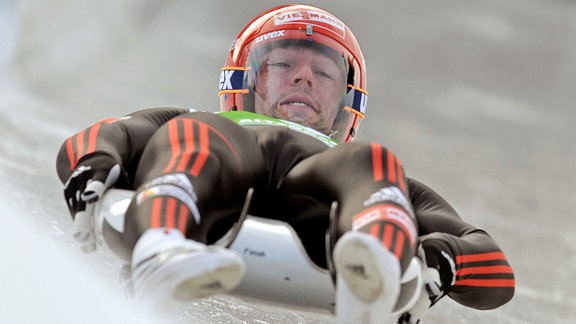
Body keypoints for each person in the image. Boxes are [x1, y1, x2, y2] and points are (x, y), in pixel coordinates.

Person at [55, 4, 515, 323]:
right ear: (247, 81)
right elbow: (104, 135)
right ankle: (161, 247)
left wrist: (441, 261)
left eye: (323, 72)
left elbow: (492, 263)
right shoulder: (191, 122)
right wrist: (93, 165)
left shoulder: (358, 162)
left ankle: (374, 265)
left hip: (321, 203)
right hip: (214, 170)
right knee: (199, 132)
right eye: (282, 65)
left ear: (343, 104)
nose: (302, 76)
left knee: (375, 162)